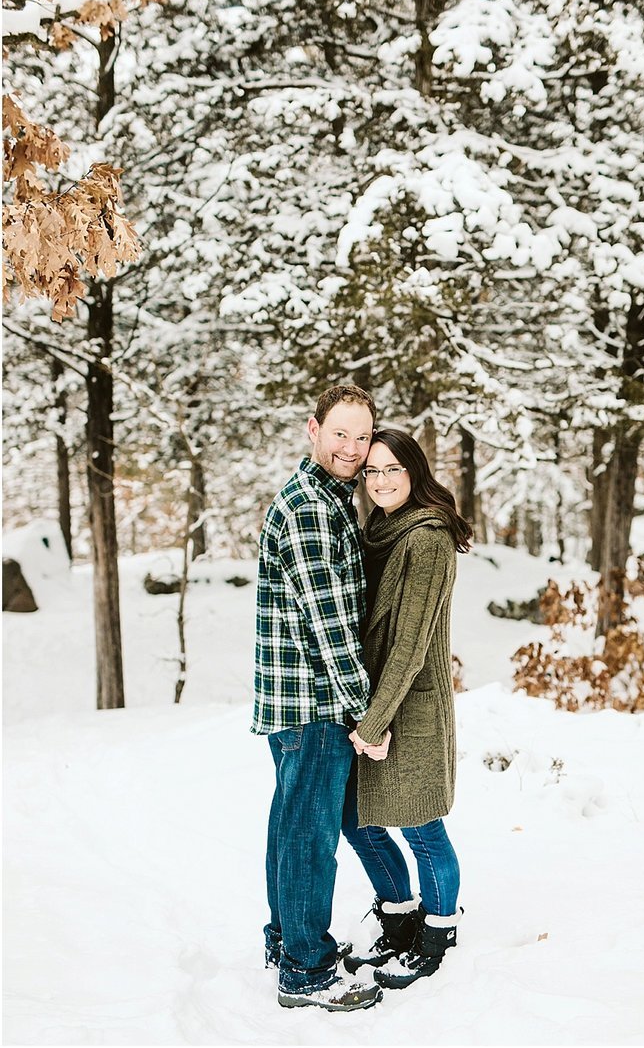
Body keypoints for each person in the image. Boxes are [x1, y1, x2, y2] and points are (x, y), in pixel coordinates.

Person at [255, 384, 385, 1012]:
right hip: (313, 702)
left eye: (363, 437)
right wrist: (365, 709)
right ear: (314, 430)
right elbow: (329, 621)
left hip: (296, 702)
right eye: (342, 433)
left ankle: (288, 940)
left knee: (292, 827)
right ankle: (306, 972)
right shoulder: (310, 506)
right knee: (309, 837)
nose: (354, 449)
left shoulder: (329, 501)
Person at [338, 428, 471, 989]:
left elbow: (413, 644)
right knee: (357, 819)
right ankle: (398, 920)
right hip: (375, 696)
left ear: (415, 471)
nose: (382, 480)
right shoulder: (379, 530)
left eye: (393, 469)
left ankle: (437, 933)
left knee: (421, 826)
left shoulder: (428, 539)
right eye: (371, 471)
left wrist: (376, 720)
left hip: (410, 704)